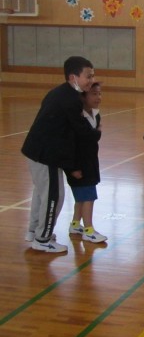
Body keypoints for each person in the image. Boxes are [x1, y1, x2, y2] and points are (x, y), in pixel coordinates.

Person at [22, 56, 97, 253]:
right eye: (88, 76)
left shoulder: (61, 92)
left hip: (37, 151)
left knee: (41, 194)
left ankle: (34, 231)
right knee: (53, 197)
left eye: (92, 76)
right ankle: (42, 239)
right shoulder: (70, 99)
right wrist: (95, 134)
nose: (91, 80)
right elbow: (78, 131)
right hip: (44, 155)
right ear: (73, 77)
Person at [67, 82, 107, 243]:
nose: (98, 97)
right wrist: (73, 167)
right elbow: (73, 144)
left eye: (99, 93)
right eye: (94, 94)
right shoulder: (77, 117)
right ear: (83, 97)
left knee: (81, 198)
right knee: (88, 197)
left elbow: (93, 139)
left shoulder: (96, 115)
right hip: (79, 164)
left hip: (91, 162)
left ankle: (75, 224)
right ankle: (89, 230)